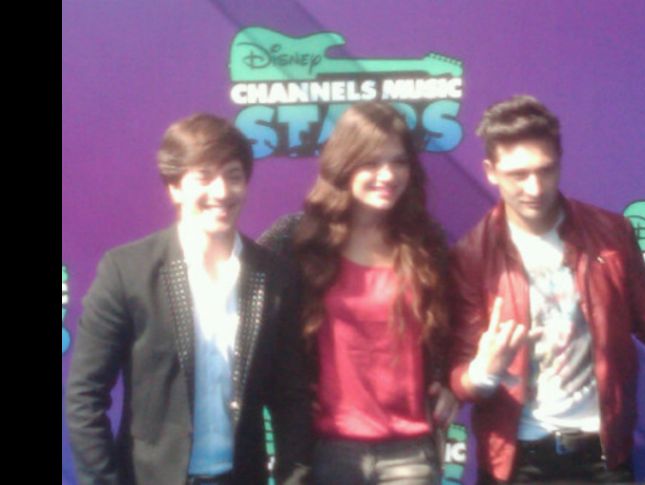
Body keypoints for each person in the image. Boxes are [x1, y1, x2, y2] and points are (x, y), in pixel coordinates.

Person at [448, 95, 645, 484]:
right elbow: (459, 378)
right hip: (516, 460)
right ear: (491, 172)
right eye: (518, 174)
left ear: (560, 162)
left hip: (602, 454)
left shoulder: (610, 233)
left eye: (546, 170)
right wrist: (485, 371)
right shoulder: (471, 256)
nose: (535, 187)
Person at [65, 113, 313, 485]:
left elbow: (291, 398)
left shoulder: (275, 277)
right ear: (175, 187)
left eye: (233, 175)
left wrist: (294, 478)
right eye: (204, 177)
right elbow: (85, 396)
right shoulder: (127, 271)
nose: (221, 192)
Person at [258, 101, 457, 485]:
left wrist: (449, 379)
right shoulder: (298, 238)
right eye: (372, 162)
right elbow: (247, 302)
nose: (388, 175)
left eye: (398, 162)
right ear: (344, 164)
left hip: (410, 454)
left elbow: (451, 321)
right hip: (326, 450)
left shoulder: (425, 241)